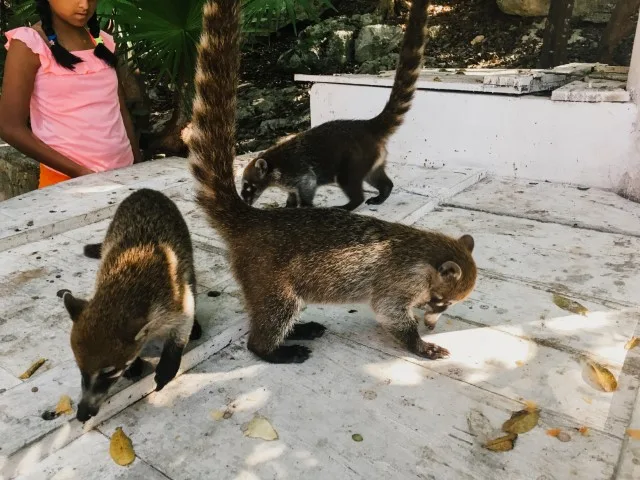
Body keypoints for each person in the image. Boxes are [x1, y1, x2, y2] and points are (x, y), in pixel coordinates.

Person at [0, 0, 142, 189]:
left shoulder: (101, 42)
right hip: (66, 182)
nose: (84, 5)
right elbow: (9, 127)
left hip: (124, 174)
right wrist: (80, 172)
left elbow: (119, 110)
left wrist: (138, 165)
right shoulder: (30, 44)